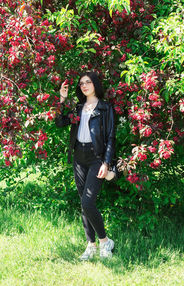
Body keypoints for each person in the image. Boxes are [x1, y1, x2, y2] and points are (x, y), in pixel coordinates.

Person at [55, 71, 115, 260]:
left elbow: (111, 138)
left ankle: (105, 242)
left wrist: (106, 163)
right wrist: (62, 100)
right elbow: (59, 122)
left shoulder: (105, 108)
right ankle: (91, 245)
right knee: (84, 203)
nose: (84, 85)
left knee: (88, 202)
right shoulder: (78, 107)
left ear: (95, 84)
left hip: (96, 157)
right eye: (81, 83)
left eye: (88, 82)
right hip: (78, 156)